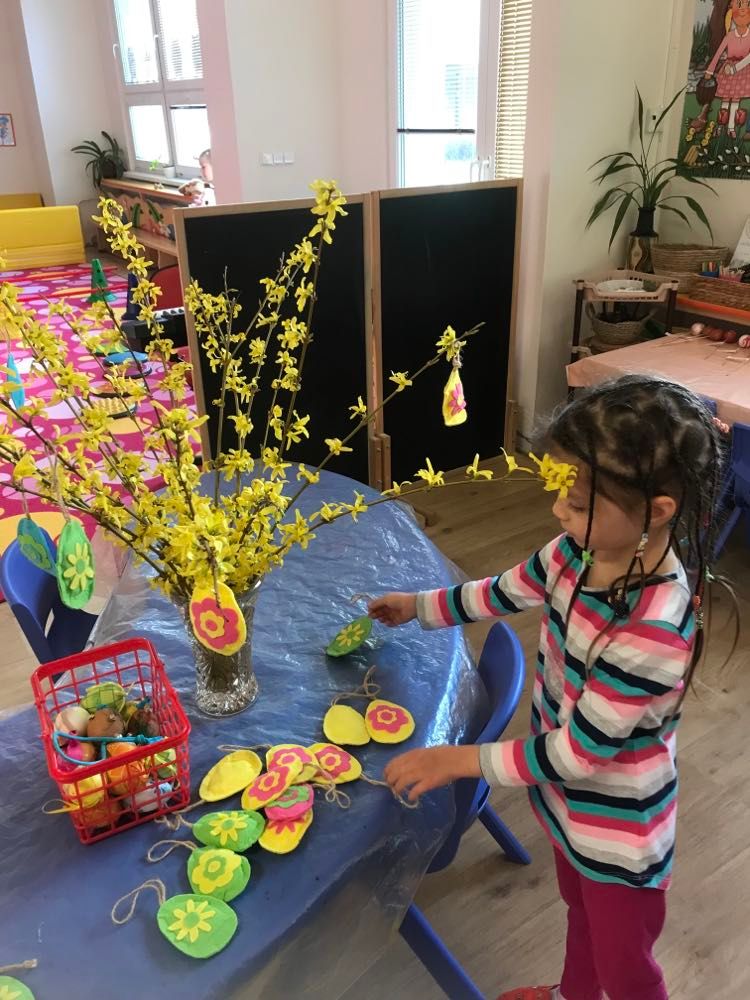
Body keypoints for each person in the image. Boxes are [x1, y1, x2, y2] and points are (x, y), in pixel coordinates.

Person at [370, 375, 737, 1000]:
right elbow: (503, 590)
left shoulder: (652, 629)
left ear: (656, 512)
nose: (558, 512)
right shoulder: (575, 552)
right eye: (560, 492)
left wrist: (457, 761)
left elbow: (578, 753)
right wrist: (420, 606)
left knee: (627, 974)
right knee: (578, 914)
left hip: (619, 835)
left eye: (577, 502)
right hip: (568, 805)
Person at [704, 0, 750, 138]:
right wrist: (709, 71)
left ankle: (731, 127)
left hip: (741, 72)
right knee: (725, 99)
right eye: (738, 7)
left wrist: (735, 68)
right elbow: (718, 53)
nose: (742, 11)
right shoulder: (730, 35)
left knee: (735, 100)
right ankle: (720, 126)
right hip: (727, 70)